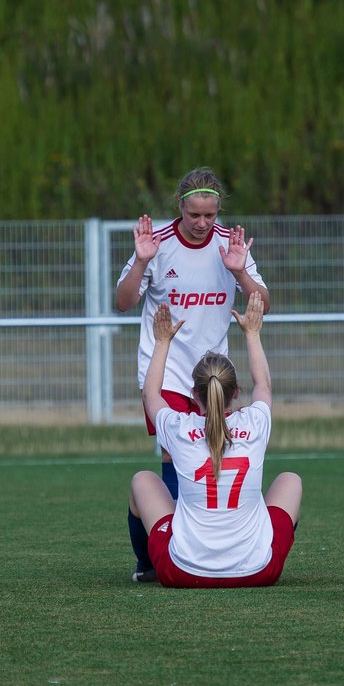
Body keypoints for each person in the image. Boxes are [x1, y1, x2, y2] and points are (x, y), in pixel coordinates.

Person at [115, 167, 271, 582]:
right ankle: (152, 559)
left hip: (211, 379)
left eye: (210, 215)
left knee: (214, 456)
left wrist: (240, 272)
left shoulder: (229, 245)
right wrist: (141, 263)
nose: (203, 224)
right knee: (174, 455)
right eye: (195, 215)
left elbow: (263, 304)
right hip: (164, 375)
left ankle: (201, 544)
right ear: (180, 207)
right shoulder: (157, 244)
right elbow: (123, 301)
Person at [128, 292, 302, 587]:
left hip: (183, 571)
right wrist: (252, 333)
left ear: (194, 395)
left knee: (142, 480)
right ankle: (251, 546)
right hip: (258, 570)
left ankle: (147, 567)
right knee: (290, 480)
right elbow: (264, 385)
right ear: (235, 393)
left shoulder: (180, 427)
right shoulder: (255, 422)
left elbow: (151, 395)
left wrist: (162, 343)